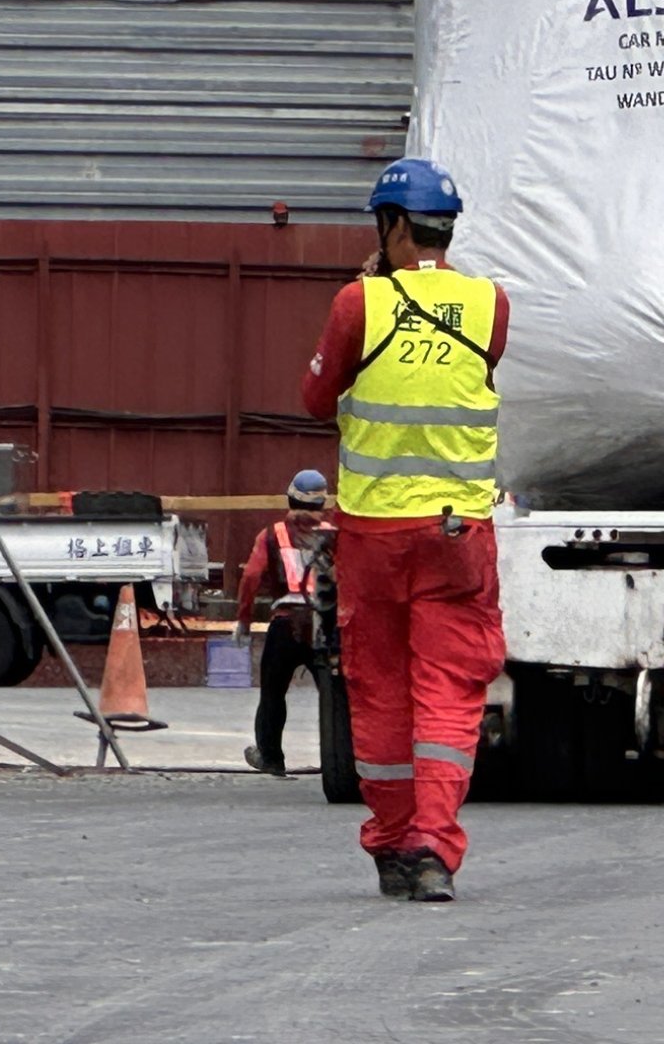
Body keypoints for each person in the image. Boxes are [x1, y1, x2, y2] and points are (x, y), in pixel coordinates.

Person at [301, 158, 508, 904]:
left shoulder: (359, 304)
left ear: (390, 227)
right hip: (458, 535)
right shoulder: (492, 305)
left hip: (375, 535)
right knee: (449, 692)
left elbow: (317, 396)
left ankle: (391, 844)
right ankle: (432, 849)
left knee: (380, 688)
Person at [233, 468, 333, 779]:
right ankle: (344, 757)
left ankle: (271, 757)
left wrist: (244, 619)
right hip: (324, 625)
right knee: (334, 697)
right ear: (323, 502)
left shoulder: (272, 534)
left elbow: (251, 576)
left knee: (273, 693)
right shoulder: (335, 534)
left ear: (289, 496)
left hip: (285, 623)